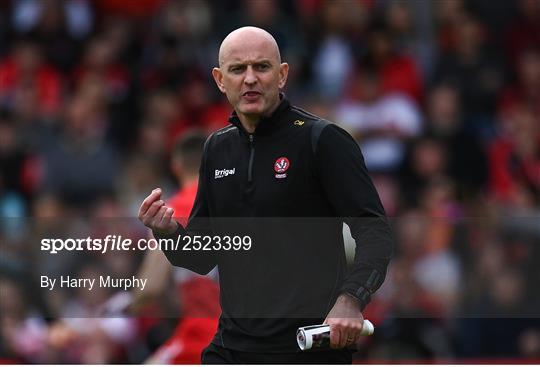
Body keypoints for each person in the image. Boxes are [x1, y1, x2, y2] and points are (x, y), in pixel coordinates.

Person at [138, 26, 394, 364]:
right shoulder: (216, 149)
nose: (250, 79)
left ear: (282, 74)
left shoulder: (323, 140)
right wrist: (166, 231)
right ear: (219, 79)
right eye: (237, 69)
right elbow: (202, 258)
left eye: (262, 66)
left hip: (307, 348)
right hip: (233, 348)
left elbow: (375, 231)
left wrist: (352, 298)